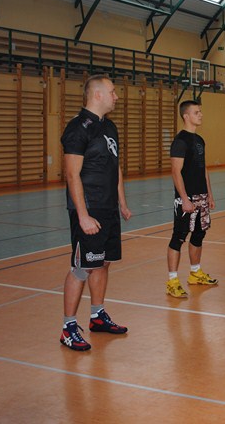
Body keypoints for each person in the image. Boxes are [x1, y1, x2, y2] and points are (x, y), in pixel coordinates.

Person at [59, 74, 132, 352]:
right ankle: (68, 328)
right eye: (112, 92)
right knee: (82, 267)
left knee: (103, 263)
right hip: (88, 209)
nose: (116, 96)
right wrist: (83, 215)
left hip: (108, 208)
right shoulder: (78, 129)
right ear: (98, 94)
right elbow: (71, 174)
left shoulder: (110, 127)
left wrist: (121, 202)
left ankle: (97, 316)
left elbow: (116, 167)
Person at [165, 100, 217, 299]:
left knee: (198, 234)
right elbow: (175, 171)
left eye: (200, 111)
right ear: (186, 116)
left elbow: (203, 169)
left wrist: (209, 194)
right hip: (186, 198)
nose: (200, 115)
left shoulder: (200, 140)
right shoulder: (180, 141)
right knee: (178, 237)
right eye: (196, 112)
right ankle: (172, 281)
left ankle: (195, 273)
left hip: (201, 196)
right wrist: (184, 199)